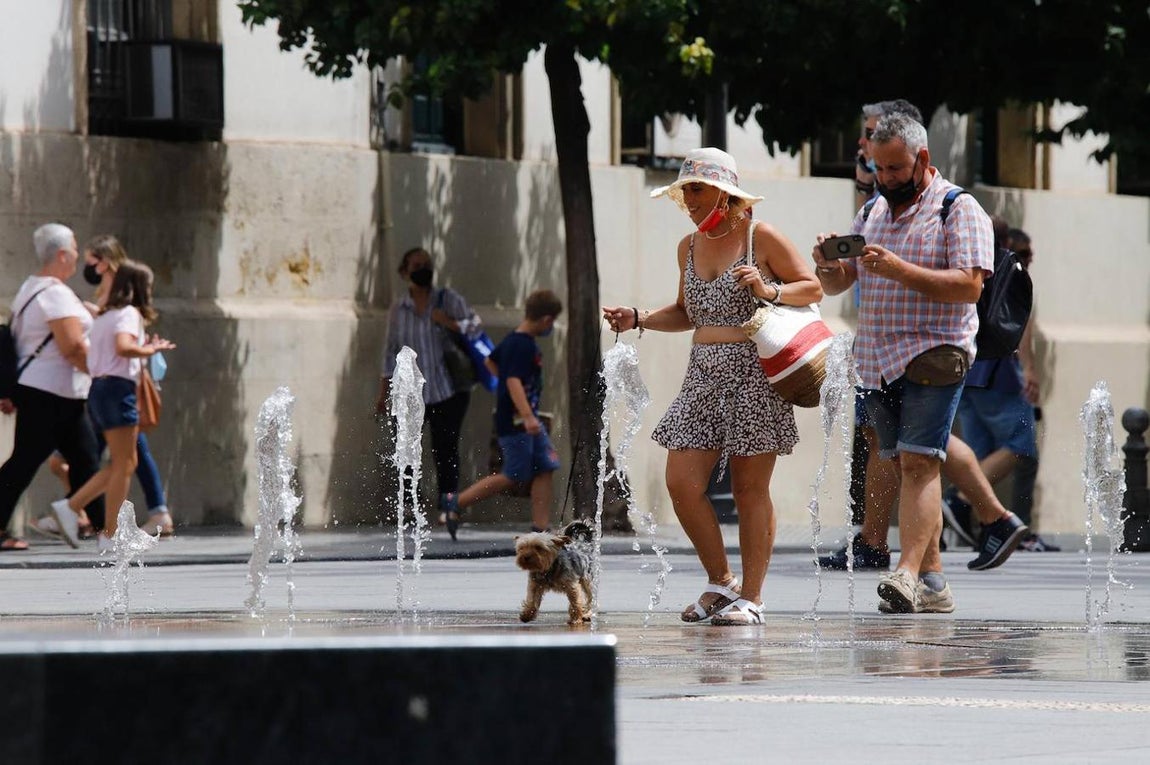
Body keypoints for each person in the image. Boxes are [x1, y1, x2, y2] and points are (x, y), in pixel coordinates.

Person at [812, 113, 1025, 614]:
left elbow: (970, 286)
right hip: (879, 358)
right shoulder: (873, 212)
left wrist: (899, 269)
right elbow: (841, 284)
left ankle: (907, 573)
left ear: (922, 159)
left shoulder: (958, 208)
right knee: (905, 458)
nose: (885, 178)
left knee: (919, 460)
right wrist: (829, 267)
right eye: (877, 167)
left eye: (894, 168)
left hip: (937, 351)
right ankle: (933, 580)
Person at [604, 147, 823, 626]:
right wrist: (638, 317)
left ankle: (755, 597)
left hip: (754, 374)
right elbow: (685, 313)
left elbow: (813, 288)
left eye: (697, 189)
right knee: (681, 483)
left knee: (749, 490)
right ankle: (721, 580)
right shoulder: (687, 247)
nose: (689, 199)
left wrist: (770, 290)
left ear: (725, 192)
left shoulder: (759, 237)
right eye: (684, 190)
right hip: (701, 373)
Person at [36, 235, 175, 538]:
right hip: (117, 389)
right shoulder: (128, 314)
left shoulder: (107, 315)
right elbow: (123, 347)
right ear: (139, 287)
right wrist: (149, 351)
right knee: (124, 462)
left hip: (101, 389)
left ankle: (78, 510)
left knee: (124, 462)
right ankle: (107, 531)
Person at [947, 226, 1058, 552]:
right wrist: (1029, 370)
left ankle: (988, 531)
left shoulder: (965, 267)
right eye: (1023, 253)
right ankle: (963, 500)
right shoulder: (1008, 271)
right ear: (1006, 245)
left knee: (980, 454)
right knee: (1022, 446)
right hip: (1000, 374)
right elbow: (1019, 328)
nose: (1027, 259)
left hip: (966, 373)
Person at [0, 224, 104, 550]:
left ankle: (104, 526)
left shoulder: (32, 288)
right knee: (25, 462)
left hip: (57, 393)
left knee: (85, 459)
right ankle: (104, 527)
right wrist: (104, 372)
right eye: (74, 249)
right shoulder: (55, 294)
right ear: (62, 255)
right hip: (50, 394)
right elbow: (73, 347)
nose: (77, 255)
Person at [439, 289, 563, 539]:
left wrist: (509, 388)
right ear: (547, 320)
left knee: (546, 466)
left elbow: (489, 363)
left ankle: (540, 528)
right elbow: (514, 382)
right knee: (513, 474)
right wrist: (526, 415)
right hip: (518, 422)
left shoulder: (511, 340)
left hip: (525, 419)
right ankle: (455, 501)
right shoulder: (522, 346)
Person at [375, 247, 477, 525]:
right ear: (405, 272)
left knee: (446, 450)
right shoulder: (399, 309)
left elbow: (475, 327)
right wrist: (383, 393)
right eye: (417, 265)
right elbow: (390, 351)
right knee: (406, 449)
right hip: (410, 394)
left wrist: (449, 322)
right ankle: (408, 506)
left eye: (427, 264)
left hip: (448, 391)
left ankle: (449, 506)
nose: (424, 269)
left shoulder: (447, 300)